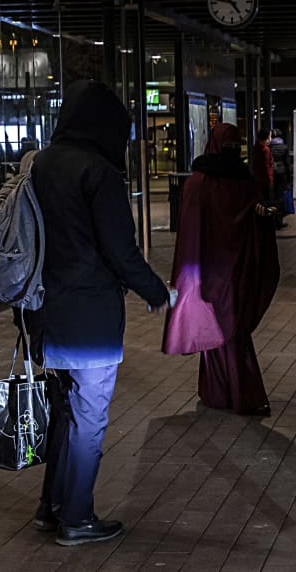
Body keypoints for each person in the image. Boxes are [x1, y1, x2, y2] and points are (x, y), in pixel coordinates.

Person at [29, 80, 174, 545]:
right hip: (88, 314)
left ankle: (49, 508)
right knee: (88, 418)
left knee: (64, 412)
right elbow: (121, 250)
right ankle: (77, 518)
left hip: (43, 311)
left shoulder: (40, 163)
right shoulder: (99, 172)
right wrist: (156, 292)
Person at [163, 123, 280, 417]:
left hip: (208, 271)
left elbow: (189, 233)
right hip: (236, 269)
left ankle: (220, 391)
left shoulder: (198, 182)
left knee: (217, 333)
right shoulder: (242, 181)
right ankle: (241, 393)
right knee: (233, 333)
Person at [252, 128, 275, 202]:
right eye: (269, 137)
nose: (270, 139)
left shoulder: (256, 148)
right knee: (267, 200)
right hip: (265, 180)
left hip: (257, 180)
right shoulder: (265, 150)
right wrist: (270, 180)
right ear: (265, 138)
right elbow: (268, 166)